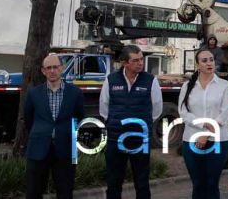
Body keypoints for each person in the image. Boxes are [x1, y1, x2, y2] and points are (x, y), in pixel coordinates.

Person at [100, 45, 163, 199]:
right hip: (116, 140)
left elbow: (157, 109)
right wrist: (116, 124)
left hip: (140, 140)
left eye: (141, 59)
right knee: (114, 183)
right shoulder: (111, 80)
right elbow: (104, 108)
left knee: (142, 183)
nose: (140, 63)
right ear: (125, 63)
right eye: (135, 60)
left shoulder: (150, 80)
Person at [24, 53, 85, 199]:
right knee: (33, 192)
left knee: (65, 192)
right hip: (38, 149)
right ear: (43, 71)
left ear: (62, 68)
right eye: (48, 68)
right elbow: (28, 119)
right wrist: (42, 133)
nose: (52, 71)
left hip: (66, 150)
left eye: (55, 67)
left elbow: (80, 117)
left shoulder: (75, 93)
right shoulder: (33, 93)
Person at [178, 49, 228, 199]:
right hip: (191, 140)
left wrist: (207, 135)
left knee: (211, 184)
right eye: (204, 60)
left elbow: (225, 114)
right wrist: (203, 125)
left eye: (211, 59)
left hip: (217, 141)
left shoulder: (225, 85)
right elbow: (183, 112)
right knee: (198, 184)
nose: (209, 63)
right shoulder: (187, 87)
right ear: (197, 65)